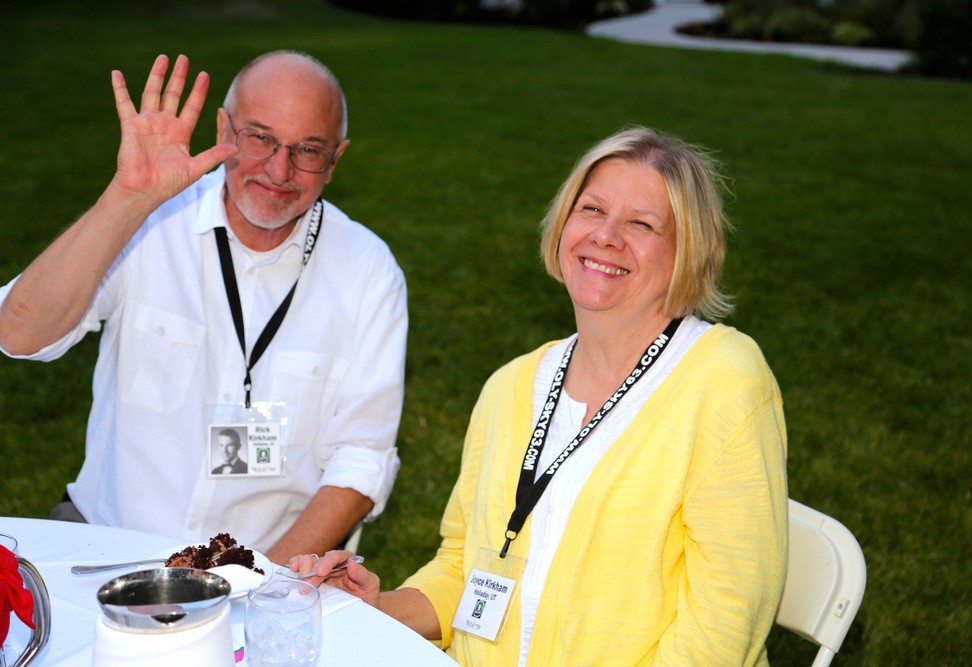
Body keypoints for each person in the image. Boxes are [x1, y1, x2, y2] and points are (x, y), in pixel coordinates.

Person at [293, 128, 788, 665]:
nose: (606, 236)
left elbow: (725, 621)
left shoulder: (723, 380)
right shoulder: (511, 387)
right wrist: (376, 608)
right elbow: (464, 567)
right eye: (592, 209)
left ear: (687, 250)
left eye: (642, 224)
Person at [0, 52, 408, 565]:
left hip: (258, 566)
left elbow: (361, 460)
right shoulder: (150, 220)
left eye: (307, 149)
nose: (279, 170)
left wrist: (262, 583)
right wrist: (126, 201)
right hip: (107, 545)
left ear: (335, 160)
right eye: (259, 138)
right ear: (222, 129)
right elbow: (19, 334)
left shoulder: (368, 270)